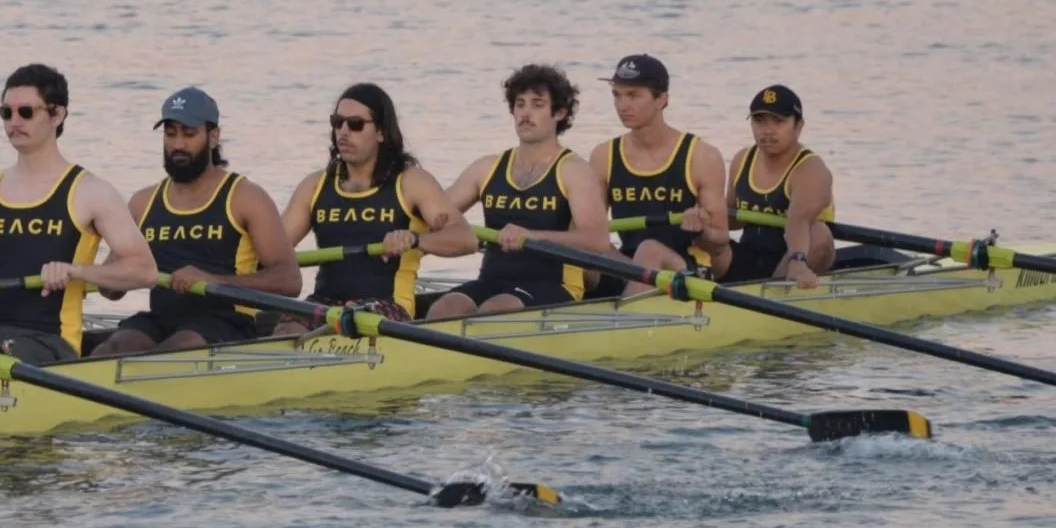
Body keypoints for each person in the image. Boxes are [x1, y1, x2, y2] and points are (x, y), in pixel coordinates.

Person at [0, 64, 156, 376]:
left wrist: (76, 272)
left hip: (51, 344)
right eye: (6, 113)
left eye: (26, 112)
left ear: (57, 115)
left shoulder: (91, 192)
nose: (14, 122)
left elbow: (144, 270)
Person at [92, 88, 300, 355]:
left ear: (213, 137)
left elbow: (290, 280)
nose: (178, 144)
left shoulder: (246, 197)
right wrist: (106, 275)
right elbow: (109, 293)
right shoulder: (142, 203)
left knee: (174, 352)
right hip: (161, 320)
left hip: (227, 322)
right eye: (170, 134)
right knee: (111, 350)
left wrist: (212, 280)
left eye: (189, 134)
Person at [425, 64, 611, 316]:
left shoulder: (574, 171)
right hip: (492, 281)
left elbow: (598, 241)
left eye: (537, 104)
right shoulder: (486, 168)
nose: (526, 113)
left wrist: (532, 237)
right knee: (444, 308)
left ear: (559, 113)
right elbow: (434, 214)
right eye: (520, 104)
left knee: (495, 309)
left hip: (553, 286)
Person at [271, 82, 455, 334]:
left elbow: (462, 238)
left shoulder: (412, 183)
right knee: (286, 331)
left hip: (386, 308)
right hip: (326, 303)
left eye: (356, 124)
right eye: (338, 122)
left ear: (381, 132)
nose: (343, 132)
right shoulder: (315, 186)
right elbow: (272, 251)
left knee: (349, 322)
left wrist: (415, 239)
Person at [589, 54, 731, 290]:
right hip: (629, 264)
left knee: (650, 249)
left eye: (633, 95)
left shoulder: (702, 156)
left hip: (686, 266)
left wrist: (702, 229)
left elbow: (721, 240)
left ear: (662, 99)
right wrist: (632, 269)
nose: (622, 105)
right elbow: (593, 236)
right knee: (578, 255)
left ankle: (628, 316)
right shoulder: (603, 156)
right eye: (617, 95)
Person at [720, 84, 835, 288]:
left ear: (798, 126)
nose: (768, 130)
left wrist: (798, 259)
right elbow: (731, 218)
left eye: (779, 121)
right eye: (759, 121)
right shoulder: (742, 160)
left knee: (819, 233)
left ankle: (775, 293)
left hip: (797, 257)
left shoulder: (811, 170)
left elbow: (799, 221)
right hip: (750, 255)